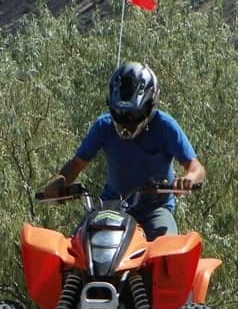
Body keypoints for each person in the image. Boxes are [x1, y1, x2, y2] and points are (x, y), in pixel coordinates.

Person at [44, 61, 206, 240]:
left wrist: (188, 179)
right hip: (112, 207)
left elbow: (196, 166)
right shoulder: (103, 126)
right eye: (119, 113)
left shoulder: (165, 126)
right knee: (76, 246)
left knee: (168, 252)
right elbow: (77, 163)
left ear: (150, 106)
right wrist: (60, 181)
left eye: (133, 115)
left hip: (154, 210)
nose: (126, 122)